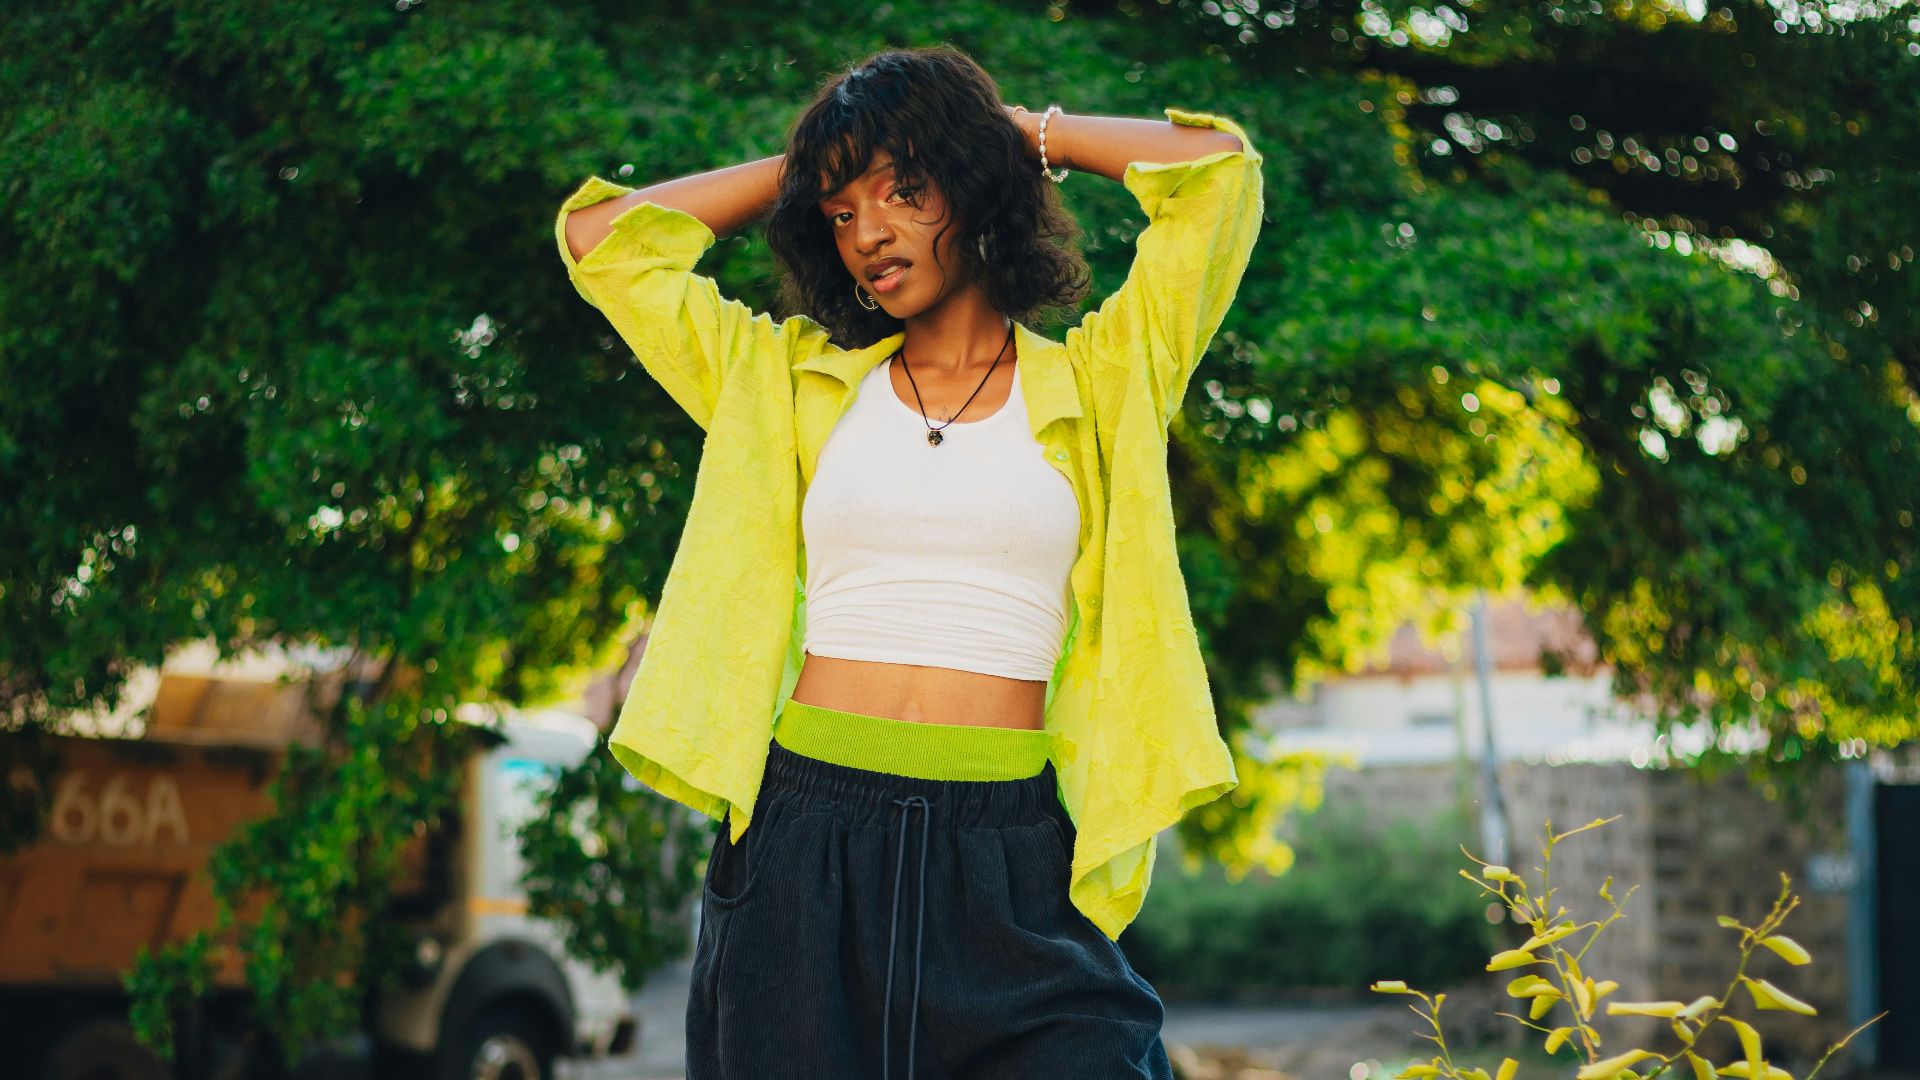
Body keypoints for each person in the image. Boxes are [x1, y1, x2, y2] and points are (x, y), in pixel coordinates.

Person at [557, 43, 1263, 1080]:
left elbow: (1219, 172)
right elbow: (600, 241)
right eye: (840, 215)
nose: (869, 234)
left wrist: (1023, 135)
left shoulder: (1110, 382)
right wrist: (813, 162)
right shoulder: (786, 383)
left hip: (1010, 855)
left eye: (902, 191)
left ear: (972, 187)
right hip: (805, 845)